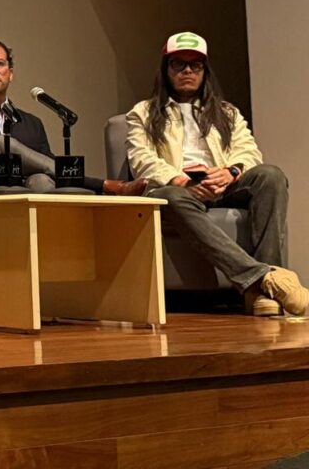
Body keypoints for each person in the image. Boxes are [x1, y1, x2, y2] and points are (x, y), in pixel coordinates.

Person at [126, 31, 308, 316]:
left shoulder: (227, 113)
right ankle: (265, 282)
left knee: (271, 175)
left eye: (195, 65)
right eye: (179, 64)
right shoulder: (144, 113)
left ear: (204, 72)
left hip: (222, 184)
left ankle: (265, 290)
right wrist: (181, 180)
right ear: (166, 70)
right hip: (179, 190)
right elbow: (143, 160)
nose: (187, 71)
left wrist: (229, 173)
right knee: (169, 196)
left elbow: (249, 152)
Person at [0, 38, 147, 196]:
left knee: (41, 179)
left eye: (0, 64)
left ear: (11, 73)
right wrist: (25, 168)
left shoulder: (31, 123)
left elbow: (45, 166)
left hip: (25, 196)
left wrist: (32, 171)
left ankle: (47, 245)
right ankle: (104, 185)